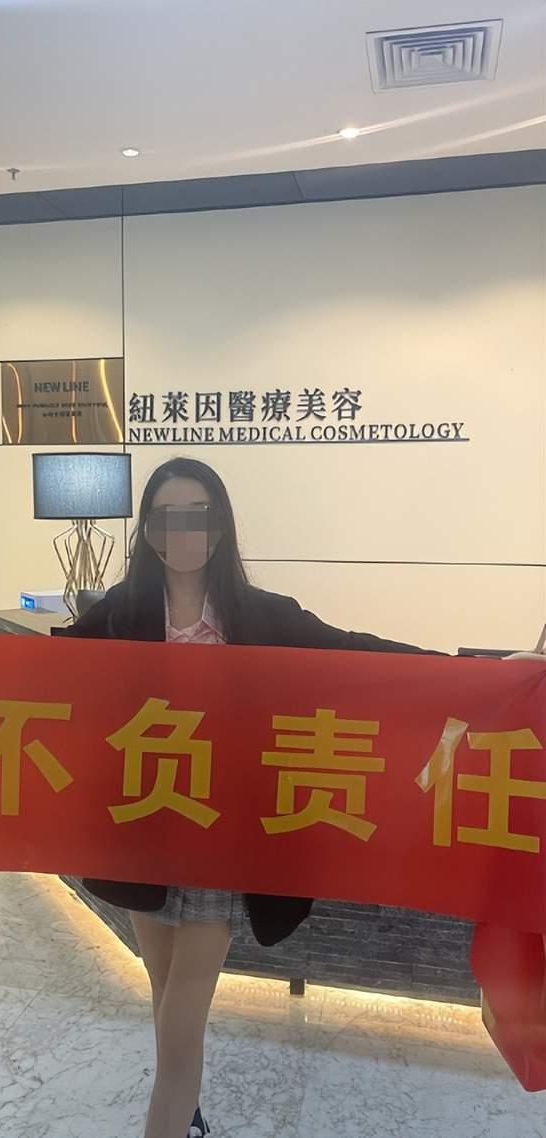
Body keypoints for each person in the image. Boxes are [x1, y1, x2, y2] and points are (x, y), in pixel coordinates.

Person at [55, 456, 542, 1138]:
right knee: (165, 998)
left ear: (220, 525)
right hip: (143, 831)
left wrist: (480, 675)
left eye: (196, 515)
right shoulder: (120, 613)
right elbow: (36, 679)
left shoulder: (261, 615)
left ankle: (167, 1123)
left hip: (223, 842)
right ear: (148, 529)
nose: (182, 532)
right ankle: (188, 1113)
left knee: (182, 1018)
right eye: (166, 518)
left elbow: (358, 653)